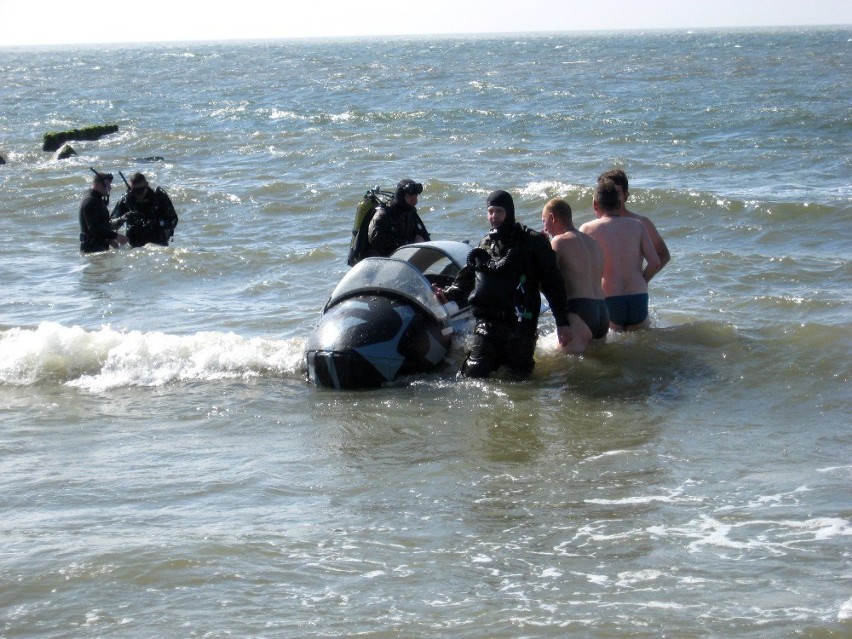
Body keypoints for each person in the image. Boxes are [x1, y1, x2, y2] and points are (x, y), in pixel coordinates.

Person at [435, 190, 571, 378]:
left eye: (499, 211)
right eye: (490, 211)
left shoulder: (531, 242)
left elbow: (552, 283)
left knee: (520, 384)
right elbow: (467, 277)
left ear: (509, 212)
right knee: (471, 378)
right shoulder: (485, 244)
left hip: (520, 327)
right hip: (487, 326)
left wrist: (562, 322)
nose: (494, 217)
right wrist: (447, 294)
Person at [580, 179, 661, 331]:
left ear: (595, 205)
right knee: (638, 344)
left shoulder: (587, 228)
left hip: (609, 296)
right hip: (638, 295)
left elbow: (582, 268)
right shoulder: (637, 225)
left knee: (615, 347)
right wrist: (640, 280)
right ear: (619, 203)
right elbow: (655, 263)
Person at [542, 197, 609, 353]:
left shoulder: (559, 242)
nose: (544, 228)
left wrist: (542, 248)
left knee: (567, 370)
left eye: (544, 221)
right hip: (602, 311)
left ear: (553, 218)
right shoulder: (594, 243)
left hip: (579, 310)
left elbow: (545, 280)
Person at [598, 168, 671, 271]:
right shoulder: (597, 226)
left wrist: (643, 279)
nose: (612, 197)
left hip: (633, 285)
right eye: (607, 193)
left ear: (625, 195)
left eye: (617, 193)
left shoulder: (641, 222)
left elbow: (663, 255)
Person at [111, 172, 178, 248]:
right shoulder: (126, 200)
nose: (138, 195)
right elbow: (110, 224)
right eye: (134, 191)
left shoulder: (158, 196)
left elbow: (173, 220)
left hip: (158, 243)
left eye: (140, 191)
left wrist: (156, 224)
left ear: (146, 185)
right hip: (135, 244)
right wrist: (122, 218)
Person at [366, 178, 429, 257]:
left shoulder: (411, 213)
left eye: (416, 195)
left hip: (403, 258)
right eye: (410, 195)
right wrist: (408, 243)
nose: (414, 198)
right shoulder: (384, 214)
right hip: (381, 260)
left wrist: (421, 240)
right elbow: (376, 241)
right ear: (401, 195)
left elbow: (426, 237)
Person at [79, 171, 127, 253]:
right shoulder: (90, 201)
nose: (110, 187)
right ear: (101, 183)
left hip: (99, 248)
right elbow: (94, 228)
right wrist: (116, 236)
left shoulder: (97, 199)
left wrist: (111, 241)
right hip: (91, 250)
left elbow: (102, 224)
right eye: (109, 184)